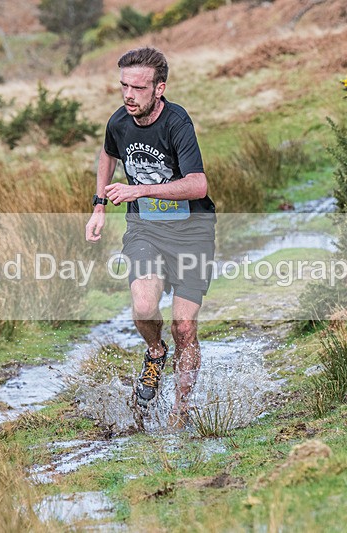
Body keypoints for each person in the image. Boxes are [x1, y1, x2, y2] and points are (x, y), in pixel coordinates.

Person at [85, 47, 216, 428]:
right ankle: (155, 353)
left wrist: (138, 191)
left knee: (185, 327)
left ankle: (181, 409)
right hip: (145, 230)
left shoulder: (178, 124)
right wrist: (98, 205)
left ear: (160, 88)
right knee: (144, 309)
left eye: (138, 88)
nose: (129, 95)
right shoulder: (120, 121)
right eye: (123, 85)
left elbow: (197, 184)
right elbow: (108, 154)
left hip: (193, 232)